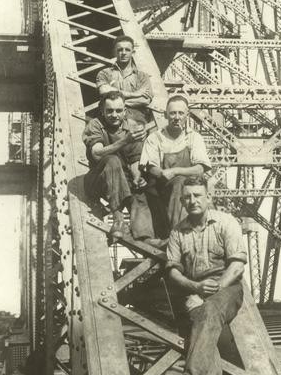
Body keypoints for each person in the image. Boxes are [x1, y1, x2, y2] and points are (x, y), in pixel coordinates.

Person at [164, 175, 247, 375]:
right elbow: (173, 272)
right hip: (196, 288)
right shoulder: (177, 233)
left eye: (198, 195)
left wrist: (216, 288)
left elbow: (237, 264)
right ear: (182, 201)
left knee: (208, 312)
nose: (193, 201)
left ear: (208, 198)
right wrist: (195, 287)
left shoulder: (225, 222)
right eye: (187, 197)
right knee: (201, 318)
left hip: (227, 286)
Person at [139, 93, 212, 238]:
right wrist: (163, 173)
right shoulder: (155, 138)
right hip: (161, 189)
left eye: (180, 113)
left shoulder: (194, 137)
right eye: (172, 113)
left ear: (187, 115)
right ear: (165, 115)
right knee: (179, 183)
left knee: (184, 184)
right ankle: (180, 234)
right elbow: (151, 167)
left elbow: (200, 168)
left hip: (189, 188)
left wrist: (174, 171)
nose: (176, 117)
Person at [82, 92, 148, 240]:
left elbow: (134, 160)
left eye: (118, 110)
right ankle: (118, 218)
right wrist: (125, 141)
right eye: (109, 111)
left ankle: (145, 237)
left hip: (122, 179)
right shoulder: (95, 125)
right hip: (97, 181)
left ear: (125, 111)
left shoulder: (132, 126)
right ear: (102, 111)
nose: (114, 115)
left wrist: (138, 177)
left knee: (140, 190)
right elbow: (97, 154)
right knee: (112, 160)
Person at [96, 34, 155, 188]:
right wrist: (132, 95)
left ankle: (135, 174)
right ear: (115, 52)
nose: (123, 52)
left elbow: (146, 99)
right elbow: (103, 91)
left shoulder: (141, 76)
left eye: (127, 50)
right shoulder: (105, 73)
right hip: (112, 115)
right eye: (120, 49)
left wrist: (118, 97)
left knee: (134, 129)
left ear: (132, 51)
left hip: (135, 115)